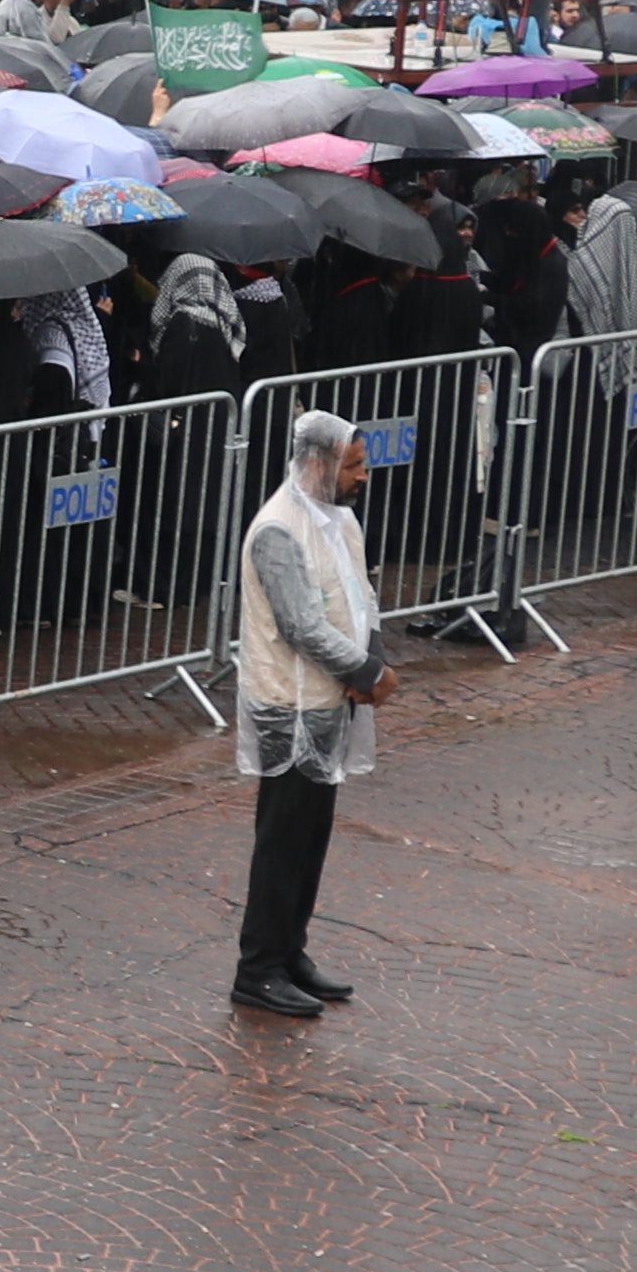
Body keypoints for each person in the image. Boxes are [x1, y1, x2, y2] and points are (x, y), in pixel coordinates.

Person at [228, 408, 387, 1024]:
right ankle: (258, 968)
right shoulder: (279, 529)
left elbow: (360, 596)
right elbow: (300, 626)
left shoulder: (339, 519)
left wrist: (371, 656)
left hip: (327, 702)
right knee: (282, 840)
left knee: (311, 838)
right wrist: (367, 671)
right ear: (319, 463)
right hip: (287, 706)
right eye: (354, 465)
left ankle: (289, 950)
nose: (364, 476)